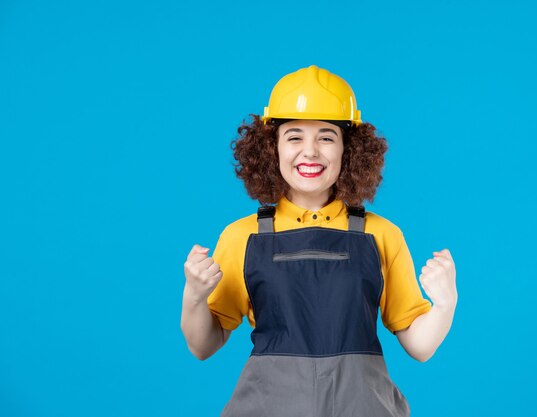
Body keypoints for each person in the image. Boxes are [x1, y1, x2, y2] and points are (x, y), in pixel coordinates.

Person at [180, 65, 458, 417]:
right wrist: (194, 296)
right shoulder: (241, 237)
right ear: (271, 149)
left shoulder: (381, 235)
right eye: (294, 137)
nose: (310, 152)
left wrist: (445, 304)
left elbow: (420, 346)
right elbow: (204, 345)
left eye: (326, 137)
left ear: (349, 150)